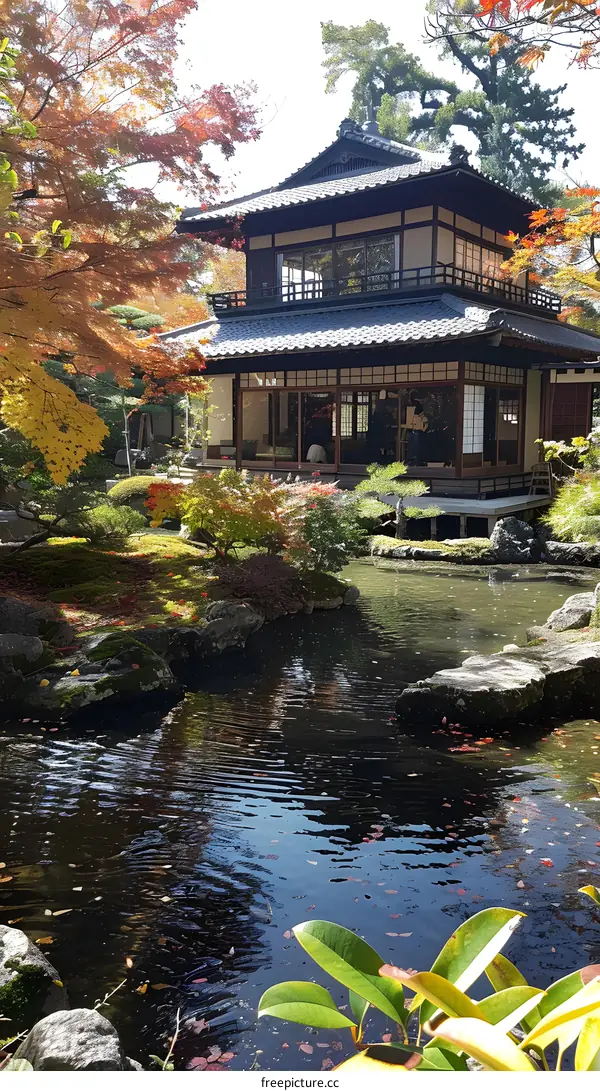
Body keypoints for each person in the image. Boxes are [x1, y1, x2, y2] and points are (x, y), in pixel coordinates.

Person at [406, 390, 428, 466]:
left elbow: (421, 415)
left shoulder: (416, 404)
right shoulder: (409, 404)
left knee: (414, 444)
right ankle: (413, 459)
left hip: (416, 427)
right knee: (413, 444)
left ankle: (415, 460)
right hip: (411, 427)